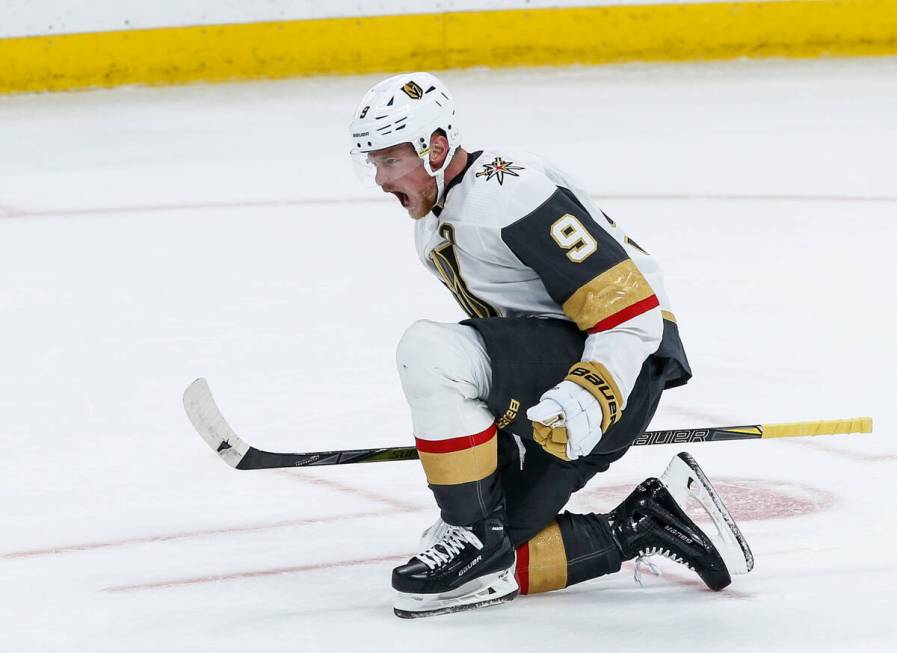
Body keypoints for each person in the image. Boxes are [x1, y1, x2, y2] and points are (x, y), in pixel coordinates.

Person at [348, 72, 753, 619]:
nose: (379, 178)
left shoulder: (508, 192)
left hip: (620, 363)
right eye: (372, 162)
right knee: (480, 569)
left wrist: (595, 389)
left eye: (390, 160)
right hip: (567, 371)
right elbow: (514, 336)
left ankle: (470, 531)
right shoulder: (436, 221)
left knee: (429, 351)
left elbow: (631, 311)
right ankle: (640, 524)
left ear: (436, 148)